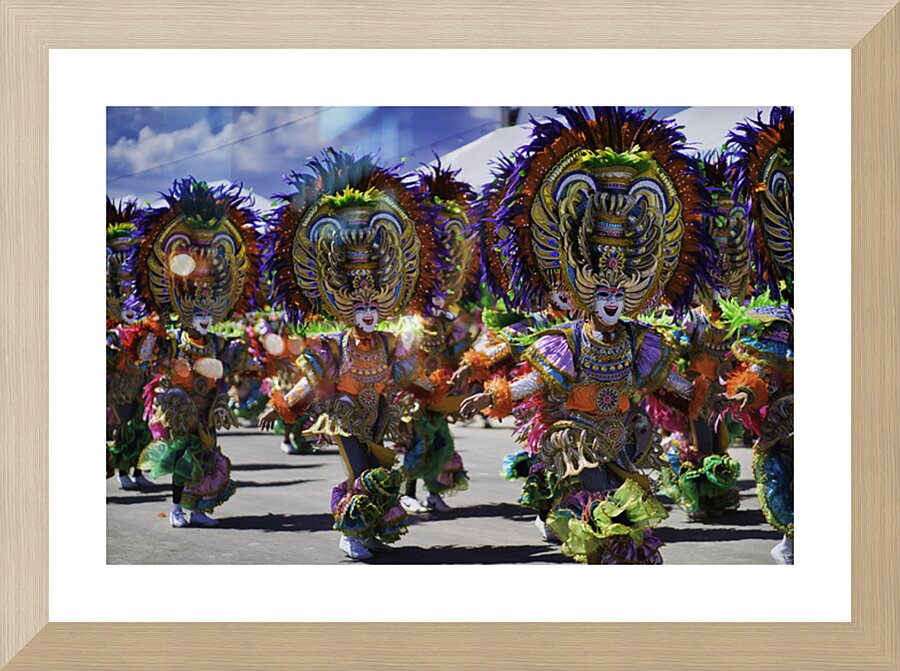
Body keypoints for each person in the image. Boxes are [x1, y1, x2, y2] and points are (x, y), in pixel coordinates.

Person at [460, 107, 716, 564]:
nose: (612, 299)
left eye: (620, 290)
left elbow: (665, 384)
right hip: (579, 436)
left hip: (623, 435)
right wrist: (494, 397)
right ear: (581, 288)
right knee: (604, 514)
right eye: (602, 290)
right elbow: (536, 382)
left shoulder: (639, 339)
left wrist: (699, 391)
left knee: (623, 518)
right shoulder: (567, 339)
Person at [258, 150, 435, 560]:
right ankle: (350, 534)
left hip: (378, 415)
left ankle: (366, 531)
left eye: (374, 307)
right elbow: (312, 381)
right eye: (361, 308)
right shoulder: (334, 344)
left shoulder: (390, 342)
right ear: (348, 309)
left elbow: (412, 376)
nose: (369, 314)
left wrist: (449, 392)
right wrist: (283, 404)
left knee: (375, 474)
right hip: (344, 414)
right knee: (358, 473)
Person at [131, 178, 264, 528]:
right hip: (179, 408)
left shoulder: (217, 341)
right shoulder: (174, 337)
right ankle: (176, 509)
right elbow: (145, 358)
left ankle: (199, 509)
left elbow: (239, 364)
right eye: (198, 313)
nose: (205, 319)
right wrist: (153, 333)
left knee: (206, 455)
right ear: (187, 311)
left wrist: (251, 359)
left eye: (209, 314)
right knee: (180, 459)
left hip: (206, 407)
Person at [105, 197, 157, 491]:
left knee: (142, 424)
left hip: (141, 376)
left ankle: (137, 470)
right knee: (124, 424)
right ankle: (124, 470)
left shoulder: (140, 301)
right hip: (118, 380)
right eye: (119, 255)